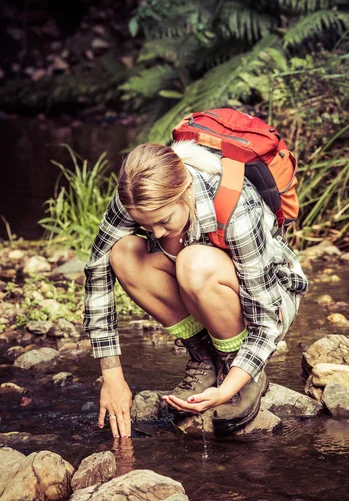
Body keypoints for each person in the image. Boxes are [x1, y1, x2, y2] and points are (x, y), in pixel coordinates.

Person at [84, 140, 308, 438]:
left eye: (164, 221)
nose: (157, 234)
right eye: (147, 227)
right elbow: (97, 270)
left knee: (193, 262)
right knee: (122, 253)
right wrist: (111, 374)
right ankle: (206, 359)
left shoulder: (237, 205)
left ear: (185, 187)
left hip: (272, 298)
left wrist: (229, 388)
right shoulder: (139, 195)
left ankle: (238, 368)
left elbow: (266, 320)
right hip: (205, 283)